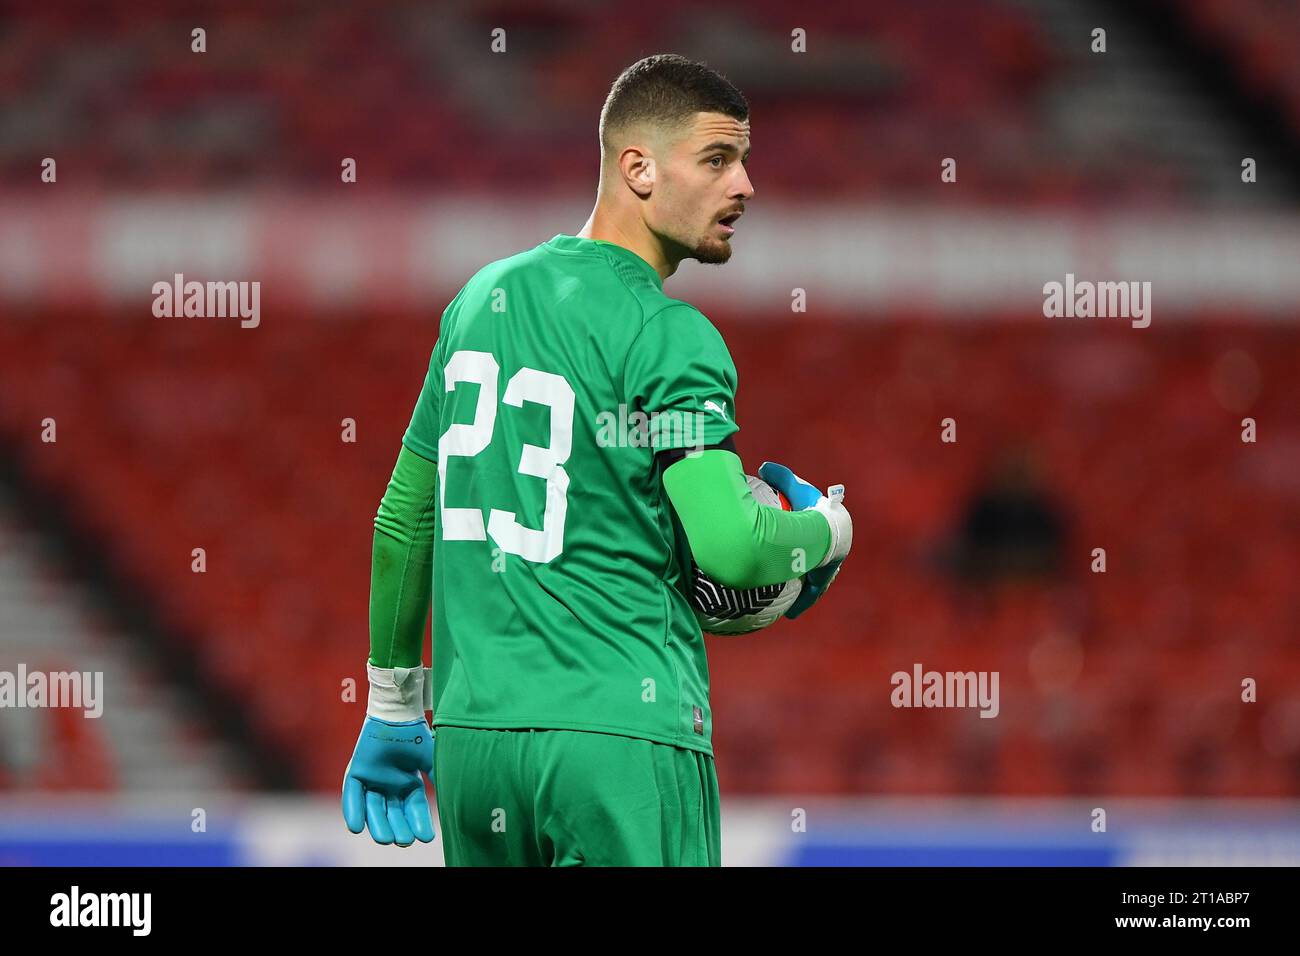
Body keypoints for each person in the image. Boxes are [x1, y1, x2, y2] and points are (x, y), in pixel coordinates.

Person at [341, 54, 852, 866]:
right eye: (719, 160)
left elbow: (405, 521)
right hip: (623, 741)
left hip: (477, 750)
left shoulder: (478, 302)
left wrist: (394, 705)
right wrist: (827, 532)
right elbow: (729, 546)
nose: (746, 185)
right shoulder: (669, 334)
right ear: (638, 167)